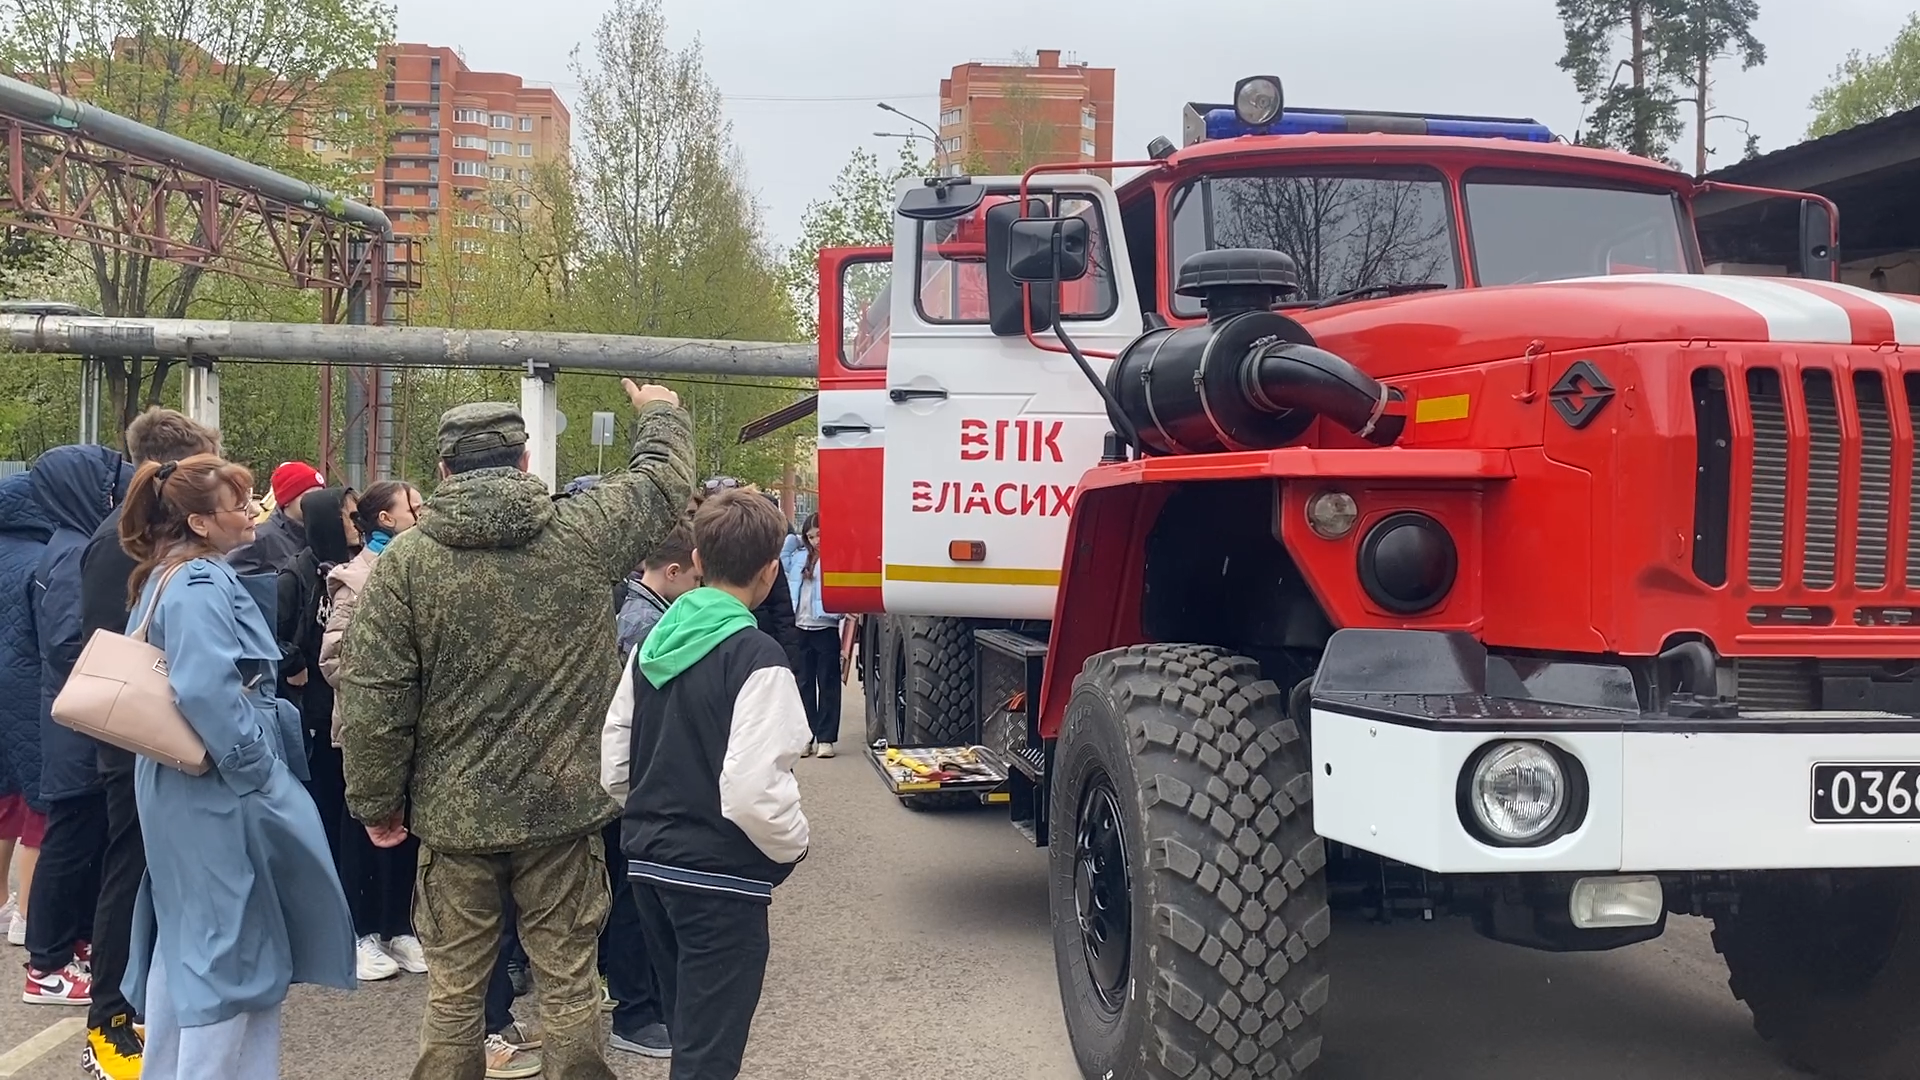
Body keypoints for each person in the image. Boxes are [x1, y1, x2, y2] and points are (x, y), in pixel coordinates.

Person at [339, 379, 693, 1080]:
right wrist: (658, 413)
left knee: (456, 989)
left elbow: (376, 695)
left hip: (454, 818)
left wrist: (376, 802)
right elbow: (660, 485)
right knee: (567, 980)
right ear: (526, 461)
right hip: (562, 810)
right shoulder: (583, 534)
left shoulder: (406, 565)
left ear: (442, 472)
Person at [117, 453, 356, 1079]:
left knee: (192, 944)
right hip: (216, 787)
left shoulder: (166, 576)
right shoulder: (198, 582)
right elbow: (205, 687)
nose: (253, 511)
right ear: (199, 521)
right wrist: (255, 768)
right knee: (232, 952)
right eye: (237, 502)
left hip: (185, 780)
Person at [605, 489, 811, 1080]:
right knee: (707, 1057)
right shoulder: (757, 656)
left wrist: (652, 819)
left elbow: (615, 762)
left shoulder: (649, 645)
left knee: (687, 1035)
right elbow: (751, 790)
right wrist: (795, 842)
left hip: (649, 867)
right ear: (771, 571)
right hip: (721, 882)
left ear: (697, 559)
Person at [76, 407, 220, 1078]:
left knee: (150, 879)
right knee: (130, 876)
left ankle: (137, 1010)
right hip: (139, 740)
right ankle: (109, 1022)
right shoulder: (123, 543)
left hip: (145, 738)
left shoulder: (127, 535)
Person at [27, 444, 133, 1007]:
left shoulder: (75, 544)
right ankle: (45, 962)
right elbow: (70, 642)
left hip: (85, 718)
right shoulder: (73, 552)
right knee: (68, 839)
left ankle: (79, 943)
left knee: (88, 835)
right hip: (78, 724)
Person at [318, 480, 431, 987]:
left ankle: (399, 925)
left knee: (405, 831)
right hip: (365, 728)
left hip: (414, 729)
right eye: (414, 506)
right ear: (385, 519)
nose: (423, 512)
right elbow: (333, 658)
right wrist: (388, 680)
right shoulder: (353, 578)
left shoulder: (422, 569)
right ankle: (360, 932)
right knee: (362, 830)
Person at [274, 487, 359, 864]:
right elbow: (267, 633)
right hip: (314, 712)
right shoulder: (296, 574)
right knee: (323, 801)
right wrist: (293, 663)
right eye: (347, 517)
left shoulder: (357, 568)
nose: (356, 524)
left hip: (348, 709)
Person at [0, 470, 49, 951]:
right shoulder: (42, 561)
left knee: (4, 799)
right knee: (41, 801)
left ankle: (0, 903)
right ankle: (29, 914)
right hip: (29, 689)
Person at [781, 514, 844, 758]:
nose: (816, 540)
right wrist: (795, 539)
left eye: (820, 534)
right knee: (803, 683)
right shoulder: (798, 557)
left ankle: (826, 738)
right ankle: (807, 735)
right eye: (811, 536)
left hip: (825, 625)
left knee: (827, 682)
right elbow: (782, 556)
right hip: (800, 625)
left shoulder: (835, 558)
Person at [225, 462, 324, 576]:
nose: (318, 502)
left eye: (321, 495)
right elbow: (229, 580)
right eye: (309, 496)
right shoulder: (260, 539)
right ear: (287, 500)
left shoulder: (322, 535)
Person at [615, 523, 696, 663]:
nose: (697, 587)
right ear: (673, 572)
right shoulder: (649, 625)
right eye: (696, 579)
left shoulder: (631, 606)